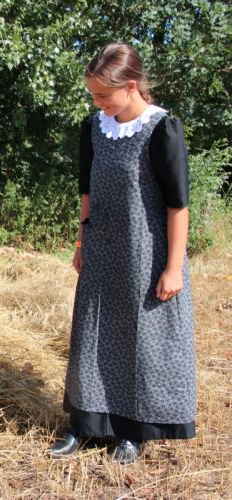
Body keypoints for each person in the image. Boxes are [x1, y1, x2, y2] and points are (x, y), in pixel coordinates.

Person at [51, 43, 196, 464]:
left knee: (139, 341)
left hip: (147, 254)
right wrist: (82, 243)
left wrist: (173, 267)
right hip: (102, 248)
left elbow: (177, 205)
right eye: (94, 95)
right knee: (92, 337)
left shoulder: (162, 129)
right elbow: (86, 191)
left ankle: (132, 432)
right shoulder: (93, 127)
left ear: (130, 87)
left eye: (103, 95)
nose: (97, 103)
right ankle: (85, 425)